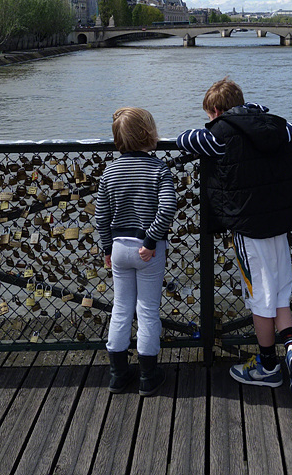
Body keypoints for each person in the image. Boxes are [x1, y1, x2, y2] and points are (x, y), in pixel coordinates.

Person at [176, 78, 292, 396]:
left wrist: (214, 125)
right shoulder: (275, 126)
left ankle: (268, 367)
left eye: (210, 115)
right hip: (279, 222)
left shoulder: (219, 135)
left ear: (216, 110)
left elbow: (185, 140)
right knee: (279, 291)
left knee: (260, 297)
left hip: (249, 227)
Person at [96, 106, 177, 395]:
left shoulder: (110, 171)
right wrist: (151, 240)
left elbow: (101, 216)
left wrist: (107, 247)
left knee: (121, 308)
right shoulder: (158, 169)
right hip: (148, 250)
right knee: (147, 311)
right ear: (147, 134)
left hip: (119, 247)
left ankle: (117, 374)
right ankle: (148, 375)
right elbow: (167, 207)